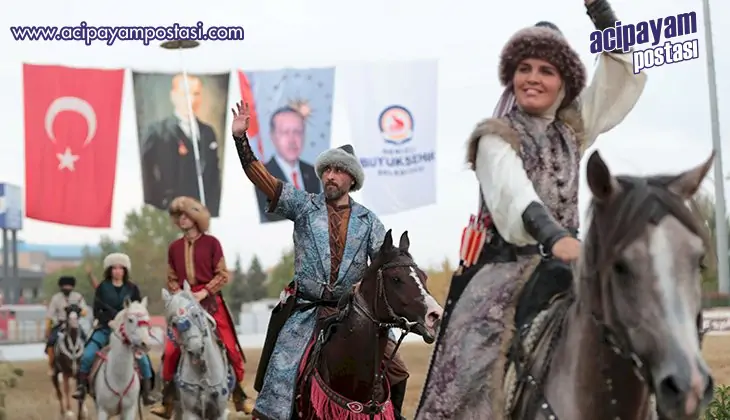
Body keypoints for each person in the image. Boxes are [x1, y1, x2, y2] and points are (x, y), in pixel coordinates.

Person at [415, 1, 648, 418]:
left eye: (547, 69)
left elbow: (619, 76)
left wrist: (601, 13)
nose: (534, 78)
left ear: (564, 80)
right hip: (506, 272)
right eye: (526, 68)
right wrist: (554, 237)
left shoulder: (573, 130)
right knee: (469, 369)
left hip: (571, 265)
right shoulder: (494, 137)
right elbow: (515, 194)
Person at [230, 100, 410, 420]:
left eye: (338, 170)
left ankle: (393, 415)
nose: (330, 175)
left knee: (397, 370)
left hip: (353, 313)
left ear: (351, 179)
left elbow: (382, 265)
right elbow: (264, 180)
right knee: (280, 373)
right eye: (326, 170)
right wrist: (240, 139)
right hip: (307, 312)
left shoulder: (369, 221)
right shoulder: (303, 206)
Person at [150, 195, 255, 418]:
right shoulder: (174, 247)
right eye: (179, 216)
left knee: (231, 348)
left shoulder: (212, 243)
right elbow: (171, 278)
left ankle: (240, 396)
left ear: (196, 218)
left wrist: (204, 292)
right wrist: (181, 296)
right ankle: (167, 400)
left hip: (211, 303)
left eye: (186, 215)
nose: (182, 219)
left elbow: (223, 275)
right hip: (184, 306)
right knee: (171, 351)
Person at [72, 253, 158, 405]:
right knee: (87, 356)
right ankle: (82, 387)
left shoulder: (132, 288)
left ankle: (146, 393)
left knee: (144, 361)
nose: (118, 271)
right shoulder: (102, 287)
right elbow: (97, 310)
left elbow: (138, 309)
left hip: (129, 333)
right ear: (110, 270)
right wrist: (109, 321)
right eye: (114, 268)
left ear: (125, 270)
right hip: (106, 328)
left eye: (121, 268)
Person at [140, 73, 222, 216]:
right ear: (174, 96)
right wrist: (160, 204)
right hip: (169, 213)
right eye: (185, 94)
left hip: (201, 213)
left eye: (196, 94)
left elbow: (214, 175)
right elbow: (146, 173)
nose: (191, 100)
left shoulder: (208, 133)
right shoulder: (157, 132)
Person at [256, 106, 322, 223]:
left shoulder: (314, 173)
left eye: (297, 132)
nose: (292, 140)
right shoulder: (260, 178)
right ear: (272, 136)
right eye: (285, 132)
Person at [44, 275, 87, 376]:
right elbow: (49, 315)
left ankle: (85, 364)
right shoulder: (56, 298)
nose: (67, 288)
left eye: (69, 286)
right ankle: (52, 365)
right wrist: (48, 328)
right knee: (51, 342)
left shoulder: (78, 297)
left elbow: (85, 311)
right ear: (61, 287)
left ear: (73, 286)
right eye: (65, 286)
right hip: (60, 324)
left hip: (75, 324)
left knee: (86, 339)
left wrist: (80, 311)